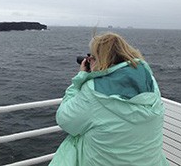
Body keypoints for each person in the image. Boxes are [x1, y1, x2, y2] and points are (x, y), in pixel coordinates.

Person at [49, 32, 168, 166]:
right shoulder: (149, 81)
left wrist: (80, 79)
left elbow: (64, 120)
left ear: (101, 60)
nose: (89, 61)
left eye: (92, 57)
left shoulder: (93, 91)